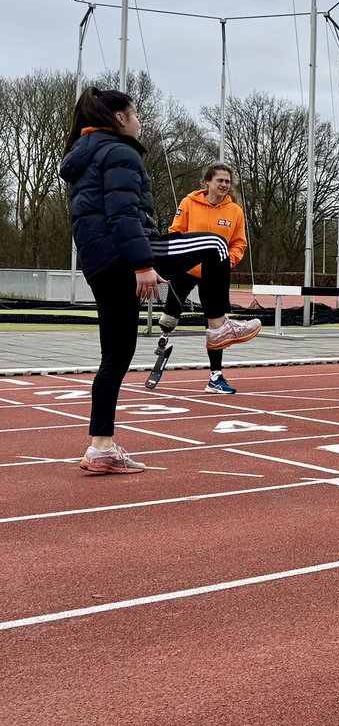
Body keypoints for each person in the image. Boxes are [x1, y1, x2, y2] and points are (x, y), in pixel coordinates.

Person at [61, 88, 261, 474]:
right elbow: (123, 214)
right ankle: (218, 327)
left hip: (99, 264)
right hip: (128, 253)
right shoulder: (120, 152)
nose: (139, 121)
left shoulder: (81, 159)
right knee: (217, 245)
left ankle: (100, 446)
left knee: (115, 358)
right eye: (135, 114)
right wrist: (141, 264)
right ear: (119, 119)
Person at [157, 163, 250, 394]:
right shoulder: (189, 203)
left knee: (216, 325)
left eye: (228, 182)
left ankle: (215, 377)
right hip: (187, 269)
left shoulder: (235, 211)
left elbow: (239, 242)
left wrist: (228, 261)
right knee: (170, 316)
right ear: (207, 182)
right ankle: (163, 340)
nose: (224, 185)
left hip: (215, 274)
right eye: (220, 180)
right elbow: (175, 233)